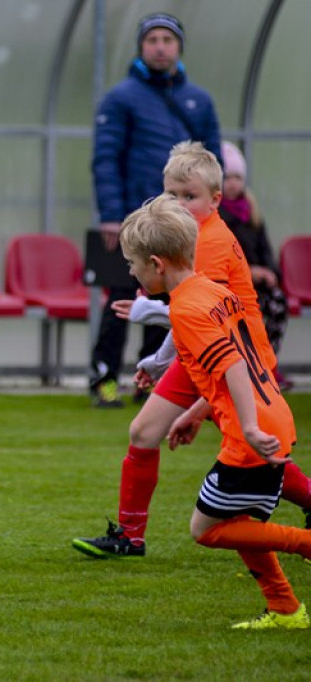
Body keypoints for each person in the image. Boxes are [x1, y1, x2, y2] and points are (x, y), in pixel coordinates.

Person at [73, 142, 311, 558]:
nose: (179, 204)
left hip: (238, 358)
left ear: (215, 199)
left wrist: (150, 314)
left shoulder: (212, 242)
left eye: (190, 196)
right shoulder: (189, 236)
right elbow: (189, 316)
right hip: (211, 352)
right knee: (145, 432)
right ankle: (130, 537)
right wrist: (157, 359)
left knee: (253, 446)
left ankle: (291, 561)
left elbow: (206, 319)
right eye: (171, 195)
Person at [115, 195, 310, 629]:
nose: (131, 272)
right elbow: (235, 364)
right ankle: (284, 608)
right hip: (274, 415)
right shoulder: (212, 290)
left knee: (206, 530)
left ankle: (305, 544)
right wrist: (199, 413)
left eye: (132, 264)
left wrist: (247, 427)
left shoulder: (186, 308)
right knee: (237, 521)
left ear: (156, 263)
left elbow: (234, 365)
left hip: (253, 434)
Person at [89, 12, 221, 407]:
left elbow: (213, 162)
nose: (160, 46)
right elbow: (106, 159)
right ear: (141, 47)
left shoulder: (199, 100)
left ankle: (150, 383)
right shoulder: (120, 98)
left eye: (167, 39)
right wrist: (112, 214)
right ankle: (105, 380)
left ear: (179, 46)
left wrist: (209, 214)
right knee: (120, 302)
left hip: (180, 227)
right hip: (129, 223)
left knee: (169, 302)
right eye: (153, 40)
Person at [219, 141, 292, 391]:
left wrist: (270, 272)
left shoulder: (252, 212)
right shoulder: (216, 215)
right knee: (252, 310)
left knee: (278, 303)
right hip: (232, 285)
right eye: (227, 177)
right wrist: (250, 271)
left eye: (238, 177)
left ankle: (267, 359)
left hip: (256, 282)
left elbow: (265, 249)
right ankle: (250, 363)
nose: (233, 183)